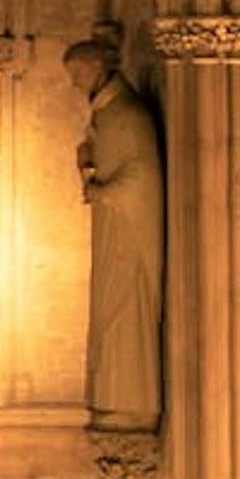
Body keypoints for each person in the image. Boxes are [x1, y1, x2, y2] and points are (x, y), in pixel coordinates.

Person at [65, 32, 165, 432]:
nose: (74, 82)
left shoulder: (127, 115)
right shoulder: (106, 116)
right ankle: (113, 395)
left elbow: (143, 175)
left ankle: (130, 398)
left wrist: (104, 189)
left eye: (76, 73)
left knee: (127, 311)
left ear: (96, 67)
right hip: (113, 233)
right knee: (111, 314)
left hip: (131, 235)